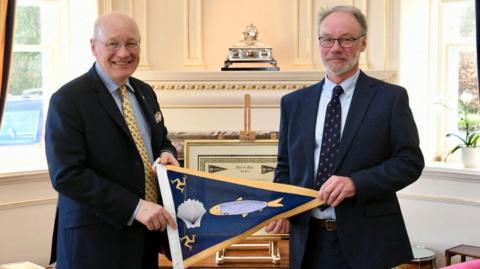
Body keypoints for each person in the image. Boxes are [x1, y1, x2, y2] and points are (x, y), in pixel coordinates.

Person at [265, 5, 424, 269]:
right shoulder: (294, 103)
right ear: (319, 43)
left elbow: (410, 163)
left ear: (363, 43)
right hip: (308, 241)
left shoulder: (390, 99)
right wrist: (283, 208)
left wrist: (356, 183)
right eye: (327, 39)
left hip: (369, 242)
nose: (335, 47)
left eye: (346, 39)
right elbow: (285, 168)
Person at [45, 12, 178, 269]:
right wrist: (136, 207)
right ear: (94, 47)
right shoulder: (68, 100)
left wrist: (167, 153)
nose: (123, 52)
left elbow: (161, 140)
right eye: (113, 44)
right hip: (94, 245)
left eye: (131, 43)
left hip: (146, 239)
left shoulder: (145, 92)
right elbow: (67, 175)